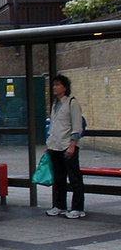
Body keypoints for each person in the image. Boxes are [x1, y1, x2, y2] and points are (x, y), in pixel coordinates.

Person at [45, 74, 86, 219]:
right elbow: (54, 126)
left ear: (65, 87)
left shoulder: (72, 103)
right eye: (54, 84)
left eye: (57, 85)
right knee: (59, 178)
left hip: (67, 146)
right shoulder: (55, 104)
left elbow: (77, 126)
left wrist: (72, 145)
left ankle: (78, 208)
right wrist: (49, 144)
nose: (54, 87)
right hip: (55, 146)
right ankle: (60, 205)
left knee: (74, 178)